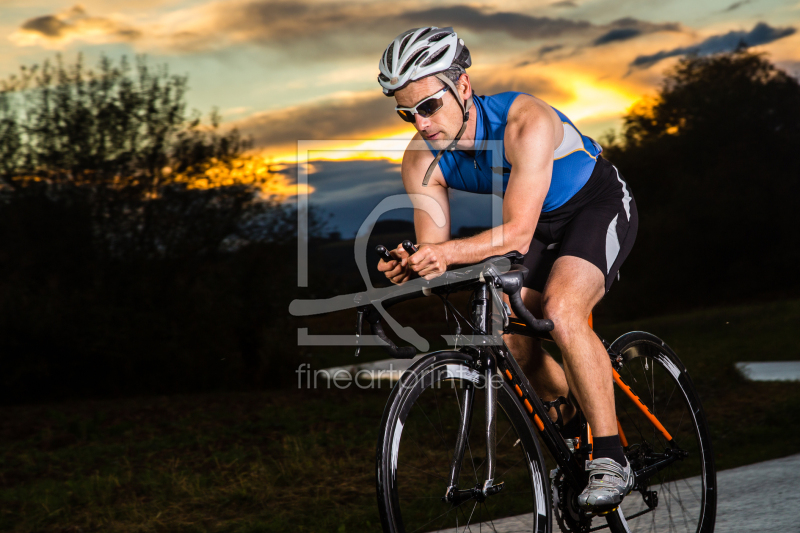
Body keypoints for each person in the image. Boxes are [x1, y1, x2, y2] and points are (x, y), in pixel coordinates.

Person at [375, 26, 639, 512]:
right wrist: (415, 265)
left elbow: (515, 233)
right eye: (406, 113)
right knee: (507, 328)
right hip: (537, 220)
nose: (421, 124)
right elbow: (438, 259)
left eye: (429, 106)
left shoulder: (524, 121)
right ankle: (571, 430)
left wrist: (447, 254)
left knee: (561, 310)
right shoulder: (420, 159)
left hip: (594, 205)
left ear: (463, 86)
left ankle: (610, 455)